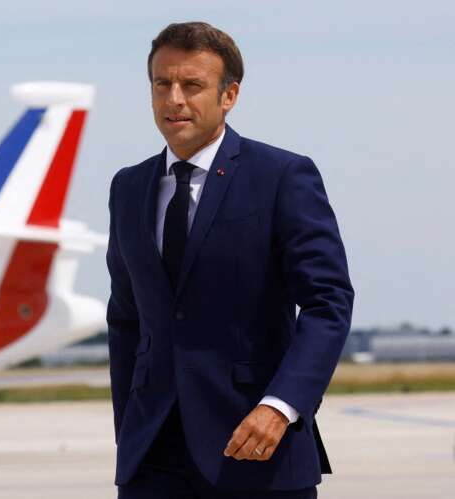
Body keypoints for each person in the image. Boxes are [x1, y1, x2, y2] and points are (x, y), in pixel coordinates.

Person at [106, 22, 354, 498]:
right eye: (162, 84)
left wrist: (281, 406)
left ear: (229, 95)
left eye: (192, 85)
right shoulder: (128, 187)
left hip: (256, 445)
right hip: (152, 457)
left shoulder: (282, 176)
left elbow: (328, 304)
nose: (174, 99)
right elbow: (126, 318)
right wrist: (129, 428)